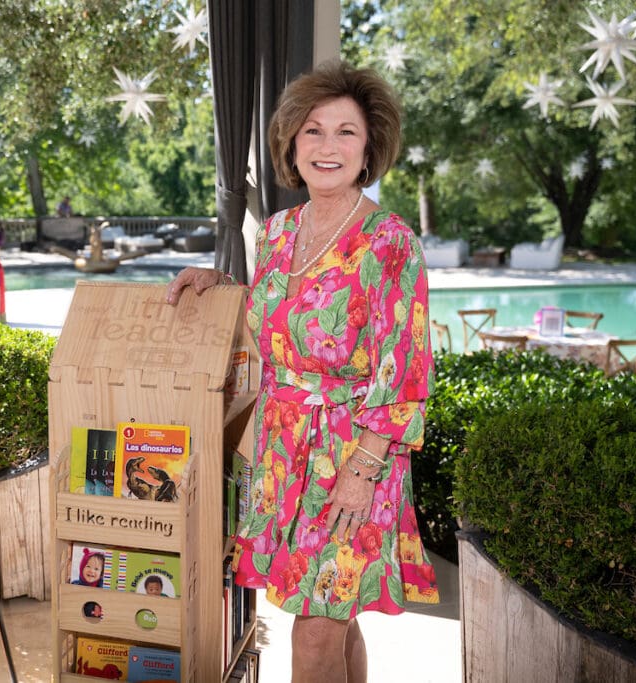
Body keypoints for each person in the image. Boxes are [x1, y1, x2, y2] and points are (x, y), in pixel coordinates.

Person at [166, 60, 436, 683]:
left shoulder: (390, 240)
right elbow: (278, 318)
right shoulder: (279, 232)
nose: (327, 146)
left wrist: (362, 472)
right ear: (292, 142)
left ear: (369, 149)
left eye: (346, 132)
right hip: (284, 451)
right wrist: (219, 285)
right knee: (335, 617)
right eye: (313, 130)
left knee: (315, 633)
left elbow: (408, 371)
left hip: (355, 454)